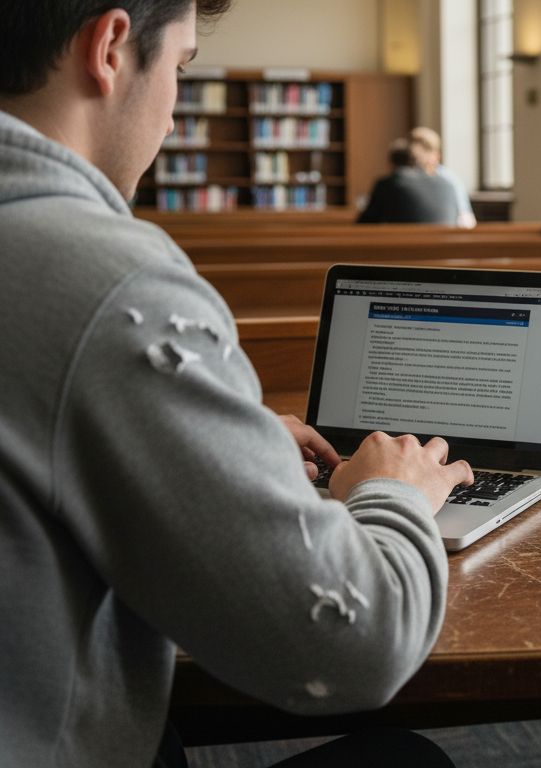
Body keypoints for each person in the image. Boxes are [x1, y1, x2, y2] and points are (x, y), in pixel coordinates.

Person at [0, 2, 472, 766]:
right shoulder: (118, 285)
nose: (173, 115)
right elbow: (357, 646)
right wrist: (396, 494)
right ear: (111, 48)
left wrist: (215, 444)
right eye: (181, 67)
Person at [356, 137, 458, 224]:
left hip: (406, 241)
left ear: (391, 163)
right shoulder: (447, 184)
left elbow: (366, 223)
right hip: (445, 240)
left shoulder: (390, 183)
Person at [408, 126, 476, 228]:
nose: (420, 156)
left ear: (437, 155)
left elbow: (466, 220)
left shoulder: (449, 180)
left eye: (426, 150)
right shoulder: (406, 180)